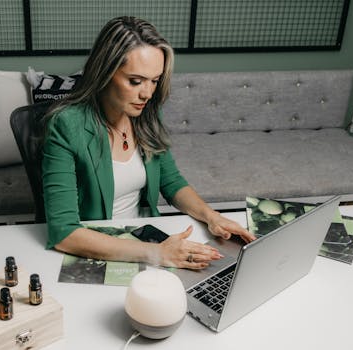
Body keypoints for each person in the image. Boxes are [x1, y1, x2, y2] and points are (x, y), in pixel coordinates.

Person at [41, 16, 255, 269]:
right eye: (135, 81)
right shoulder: (66, 124)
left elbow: (171, 181)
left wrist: (212, 217)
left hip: (149, 237)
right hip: (102, 246)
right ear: (105, 73)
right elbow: (64, 233)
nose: (148, 93)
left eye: (154, 80)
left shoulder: (146, 114)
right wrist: (157, 254)